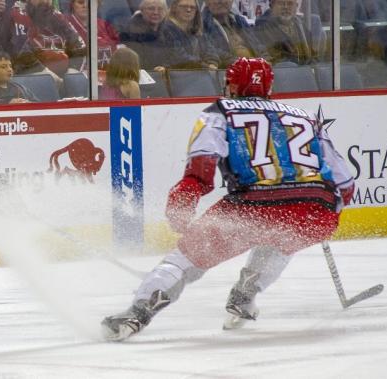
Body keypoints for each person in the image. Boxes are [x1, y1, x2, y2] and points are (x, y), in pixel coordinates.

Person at [101, 57, 355, 341]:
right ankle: (245, 295)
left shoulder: (219, 112)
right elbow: (345, 182)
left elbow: (202, 165)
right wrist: (330, 205)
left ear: (231, 84)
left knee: (184, 259)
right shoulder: (305, 116)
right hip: (317, 210)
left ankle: (137, 313)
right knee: (282, 239)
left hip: (254, 206)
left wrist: (186, 196)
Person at [0, 0, 87, 84]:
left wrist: (72, 71)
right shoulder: (16, 15)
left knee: (76, 79)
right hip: (27, 77)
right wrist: (46, 74)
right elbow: (21, 54)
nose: (45, 1)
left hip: (62, 78)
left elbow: (80, 47)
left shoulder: (57, 16)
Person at [254, 0, 326, 65]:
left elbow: (313, 54)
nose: (285, 7)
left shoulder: (301, 26)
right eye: (281, 3)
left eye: (290, 3)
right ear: (272, 6)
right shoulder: (262, 29)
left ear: (296, 6)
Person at [202, 0, 270, 67]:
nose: (221, 1)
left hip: (256, 70)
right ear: (206, 2)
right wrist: (250, 64)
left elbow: (258, 46)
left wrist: (266, 61)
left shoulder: (240, 21)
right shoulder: (202, 25)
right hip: (228, 73)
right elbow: (215, 55)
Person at [158, 0, 220, 70]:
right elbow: (179, 57)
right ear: (174, 8)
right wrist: (205, 66)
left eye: (193, 7)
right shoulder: (167, 29)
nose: (188, 10)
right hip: (177, 75)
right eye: (183, 6)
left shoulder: (196, 29)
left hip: (199, 74)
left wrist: (212, 63)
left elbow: (210, 51)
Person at [66, 0, 120, 69]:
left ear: (97, 5)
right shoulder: (64, 24)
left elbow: (117, 49)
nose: (85, 6)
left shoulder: (105, 25)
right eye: (80, 2)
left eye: (89, 3)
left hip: (109, 75)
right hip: (80, 76)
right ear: (72, 4)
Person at [118, 0, 169, 70]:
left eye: (160, 9)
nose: (155, 12)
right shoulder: (131, 33)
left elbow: (174, 58)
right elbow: (137, 63)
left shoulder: (169, 31)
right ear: (142, 11)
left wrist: (166, 67)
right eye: (151, 8)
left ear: (165, 12)